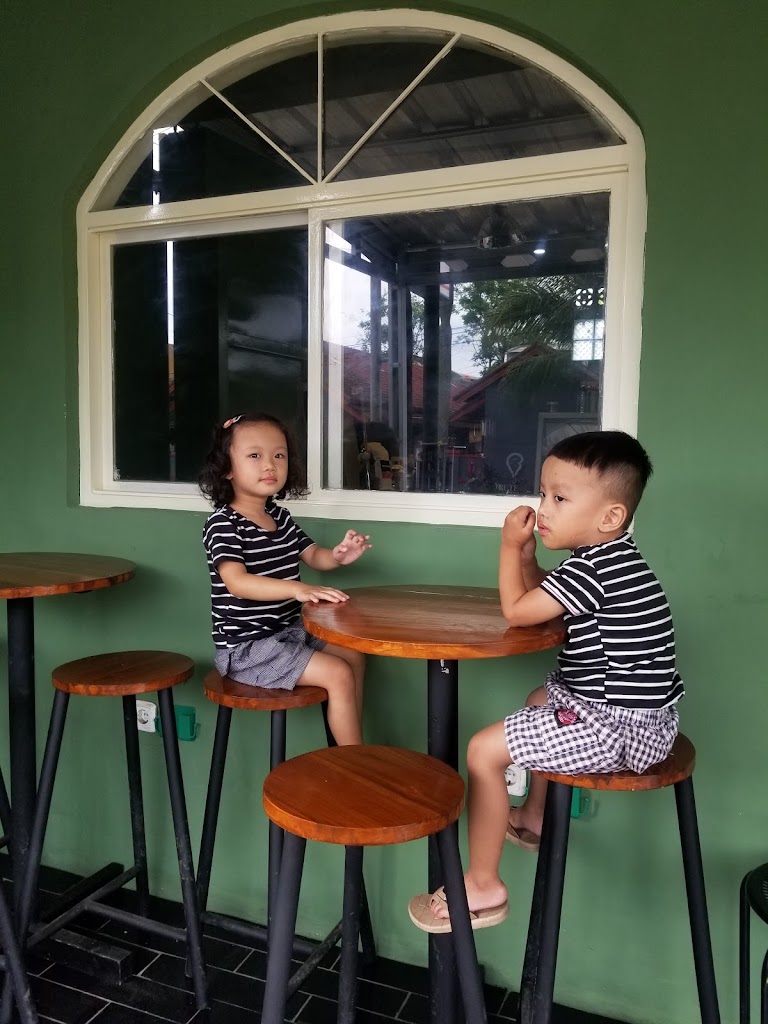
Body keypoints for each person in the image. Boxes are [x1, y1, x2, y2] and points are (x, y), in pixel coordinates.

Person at [408, 430, 683, 932]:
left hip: (617, 729)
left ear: (610, 517)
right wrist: (529, 559)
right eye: (543, 493)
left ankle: (483, 885)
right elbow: (546, 601)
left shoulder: (594, 570)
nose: (543, 508)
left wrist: (508, 546)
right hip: (639, 718)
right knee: (540, 697)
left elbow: (518, 612)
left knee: (482, 751)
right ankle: (534, 816)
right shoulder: (608, 560)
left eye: (559, 498)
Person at [199, 412, 371, 746]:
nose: (270, 465)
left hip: (289, 633)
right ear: (226, 468)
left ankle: (348, 748)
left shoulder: (280, 516)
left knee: (353, 655)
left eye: (279, 455)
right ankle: (355, 760)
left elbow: (313, 554)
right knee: (337, 672)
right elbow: (237, 583)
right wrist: (298, 589)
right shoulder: (223, 524)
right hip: (247, 648)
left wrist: (338, 555)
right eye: (254, 455)